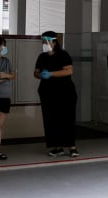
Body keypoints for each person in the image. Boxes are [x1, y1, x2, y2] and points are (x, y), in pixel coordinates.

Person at [34, 30, 79, 158]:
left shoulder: (63, 55)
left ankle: (72, 147)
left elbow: (69, 71)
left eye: (45, 41)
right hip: (47, 93)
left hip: (65, 92)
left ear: (53, 41)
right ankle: (57, 147)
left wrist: (51, 74)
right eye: (42, 41)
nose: (43, 43)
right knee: (51, 120)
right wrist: (40, 75)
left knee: (67, 118)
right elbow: (36, 72)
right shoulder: (42, 57)